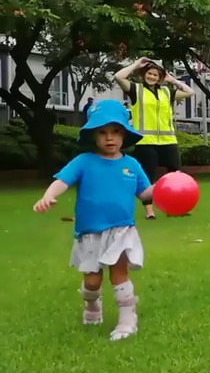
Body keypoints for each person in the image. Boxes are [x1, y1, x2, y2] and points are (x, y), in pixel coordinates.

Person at [33, 100, 153, 342]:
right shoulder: (84, 162)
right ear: (93, 135)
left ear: (124, 134)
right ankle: (92, 307)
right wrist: (49, 195)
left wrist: (167, 190)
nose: (110, 138)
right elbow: (62, 181)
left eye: (116, 131)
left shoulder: (132, 165)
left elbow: (146, 193)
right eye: (103, 132)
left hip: (121, 231)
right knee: (91, 281)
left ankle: (128, 321)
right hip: (90, 232)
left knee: (119, 275)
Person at [113, 58, 194, 220]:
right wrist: (136, 64)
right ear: (144, 75)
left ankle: (176, 207)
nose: (152, 77)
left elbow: (189, 92)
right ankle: (150, 211)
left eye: (156, 74)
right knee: (147, 178)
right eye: (149, 74)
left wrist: (172, 80)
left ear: (160, 77)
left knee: (176, 175)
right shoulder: (136, 90)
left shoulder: (166, 92)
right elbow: (118, 77)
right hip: (145, 142)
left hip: (168, 141)